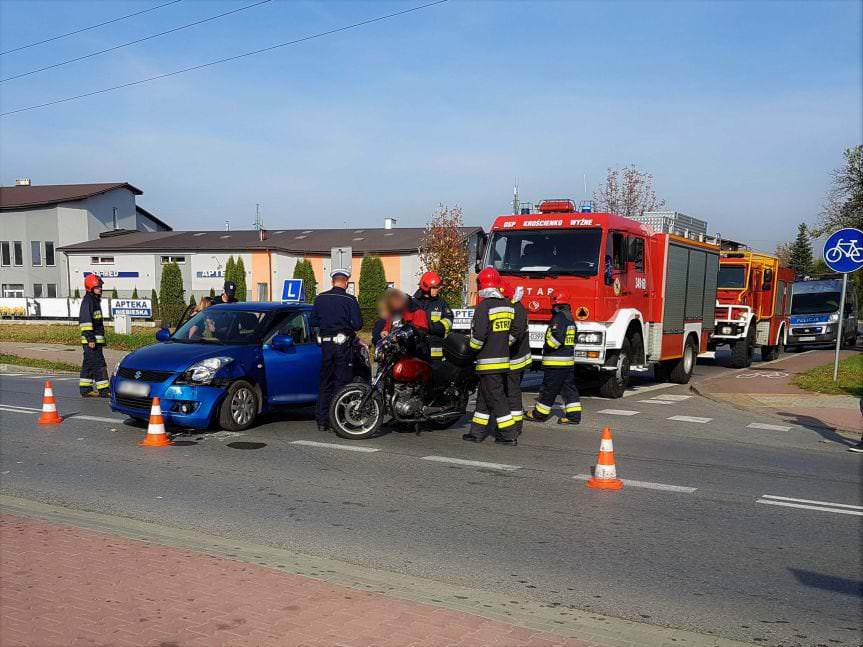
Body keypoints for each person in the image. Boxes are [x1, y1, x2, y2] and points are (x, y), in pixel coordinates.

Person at [463, 267, 518, 445]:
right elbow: (508, 336)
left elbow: (479, 336)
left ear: (483, 284)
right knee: (484, 398)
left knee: (496, 398)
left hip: (487, 361)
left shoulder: (484, 307)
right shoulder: (508, 306)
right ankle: (477, 432)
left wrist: (469, 350)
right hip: (503, 359)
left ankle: (509, 435)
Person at [311, 269, 363, 431]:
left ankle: (322, 421)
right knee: (341, 383)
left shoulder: (320, 299)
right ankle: (337, 420)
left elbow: (313, 321)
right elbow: (358, 324)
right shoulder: (349, 300)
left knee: (325, 382)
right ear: (346, 282)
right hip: (342, 347)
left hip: (326, 346)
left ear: (333, 281)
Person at [525, 291, 581, 425]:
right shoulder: (569, 318)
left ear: (555, 303)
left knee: (548, 389)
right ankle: (574, 416)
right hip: (567, 361)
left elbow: (557, 339)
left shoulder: (559, 318)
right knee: (569, 389)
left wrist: (547, 347)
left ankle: (539, 414)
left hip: (556, 361)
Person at [504, 284, 530, 436]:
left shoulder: (517, 309)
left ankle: (515, 424)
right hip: (515, 356)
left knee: (512, 391)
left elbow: (515, 334)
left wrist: (500, 346)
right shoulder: (516, 307)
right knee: (509, 390)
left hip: (515, 358)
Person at [78, 274, 110, 398]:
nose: (100, 289)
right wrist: (90, 339)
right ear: (90, 288)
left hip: (95, 340)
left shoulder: (94, 301)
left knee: (89, 364)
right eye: (97, 287)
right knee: (99, 364)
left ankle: (85, 389)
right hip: (91, 341)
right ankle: (104, 390)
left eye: (100, 287)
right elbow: (85, 322)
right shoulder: (88, 302)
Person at [412, 271, 453, 361]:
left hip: (436, 351)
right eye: (435, 288)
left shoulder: (441, 303)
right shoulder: (413, 303)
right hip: (418, 351)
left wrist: (430, 327)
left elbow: (449, 321)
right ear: (427, 288)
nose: (438, 289)